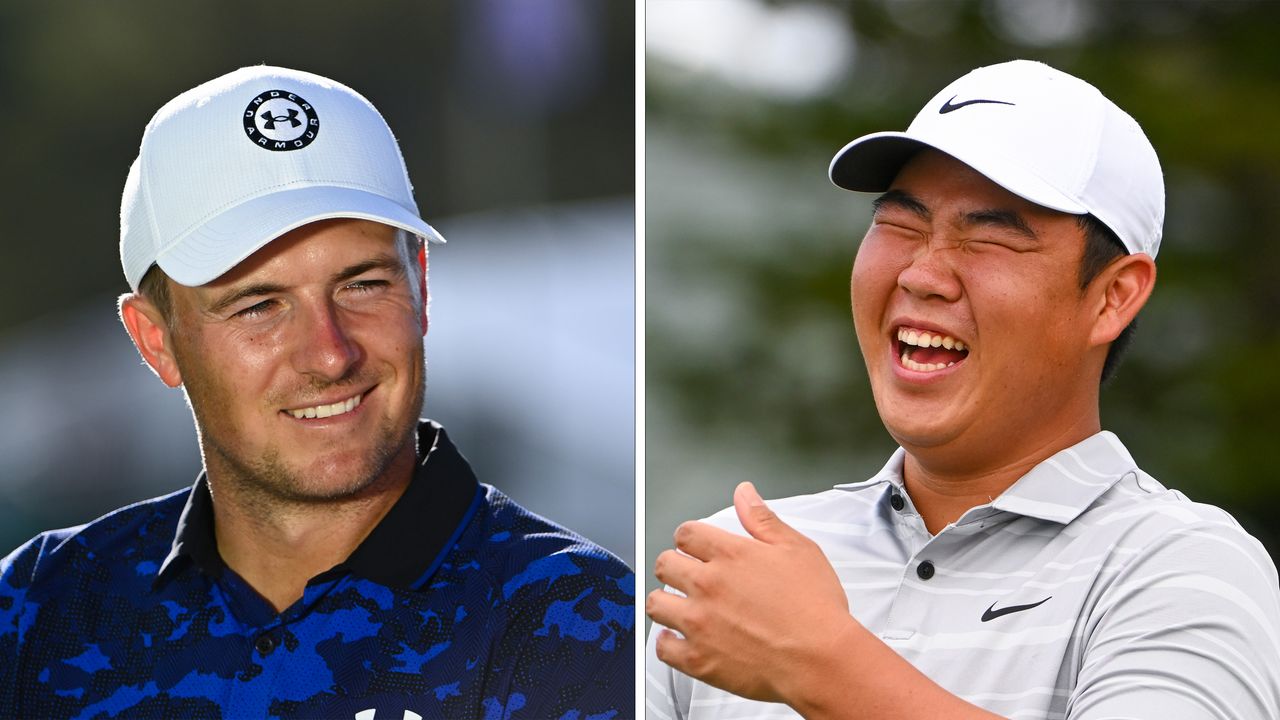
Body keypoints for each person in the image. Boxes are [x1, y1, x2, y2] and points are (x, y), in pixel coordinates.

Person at [645, 59, 1280, 719]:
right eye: (901, 224)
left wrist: (820, 663)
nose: (923, 274)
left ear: (1113, 297)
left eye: (989, 236)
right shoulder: (734, 567)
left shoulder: (1181, 564)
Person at [0, 65, 633, 719]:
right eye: (259, 306)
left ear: (420, 286)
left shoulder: (576, 620)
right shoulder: (39, 608)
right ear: (156, 341)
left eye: (363, 284)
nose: (330, 353)